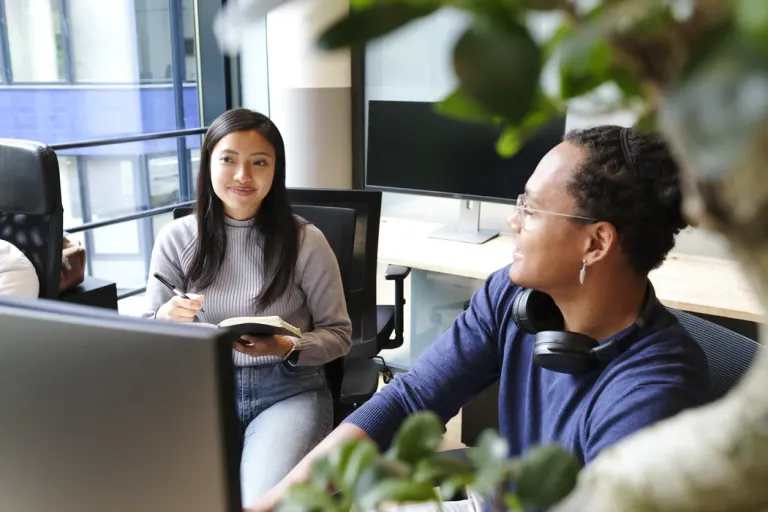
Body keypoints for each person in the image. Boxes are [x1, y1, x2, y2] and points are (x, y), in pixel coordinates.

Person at [246, 125, 711, 512]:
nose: (514, 221)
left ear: (596, 243)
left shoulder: (653, 395)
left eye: (530, 209)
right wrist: (281, 501)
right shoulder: (512, 296)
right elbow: (409, 402)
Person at [144, 108, 352, 504]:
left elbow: (340, 334)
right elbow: (146, 335)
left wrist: (289, 346)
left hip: (287, 392)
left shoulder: (307, 242)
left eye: (259, 163)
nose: (243, 176)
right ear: (208, 164)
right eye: (228, 160)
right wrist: (163, 318)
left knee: (257, 502)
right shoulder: (175, 238)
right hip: (200, 392)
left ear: (276, 172)